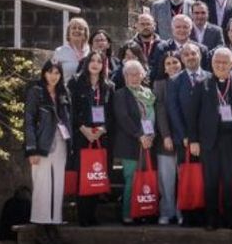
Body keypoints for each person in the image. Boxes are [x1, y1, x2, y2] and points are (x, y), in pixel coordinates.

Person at [191, 47, 232, 230]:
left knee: (231, 181)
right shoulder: (202, 84)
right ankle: (211, 219)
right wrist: (193, 140)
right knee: (211, 181)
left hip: (231, 141)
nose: (221, 66)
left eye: (225, 62)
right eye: (217, 62)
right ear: (212, 63)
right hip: (209, 141)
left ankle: (231, 219)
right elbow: (193, 115)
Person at [70, 51, 115, 227]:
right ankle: (83, 216)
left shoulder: (109, 86)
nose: (95, 64)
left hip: (101, 137)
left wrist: (102, 129)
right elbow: (71, 109)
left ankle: (93, 214)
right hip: (83, 135)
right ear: (87, 63)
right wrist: (83, 128)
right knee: (84, 175)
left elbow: (111, 113)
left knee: (97, 175)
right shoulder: (75, 82)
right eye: (93, 60)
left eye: (99, 61)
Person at [23, 59, 70, 227]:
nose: (53, 76)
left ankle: (55, 220)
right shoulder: (36, 91)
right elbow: (28, 121)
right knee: (42, 183)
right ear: (44, 73)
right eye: (50, 72)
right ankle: (41, 222)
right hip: (41, 143)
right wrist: (31, 149)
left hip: (61, 142)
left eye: (57, 73)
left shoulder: (63, 92)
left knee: (58, 183)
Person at [168, 44, 211, 226]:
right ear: (182, 58)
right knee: (186, 176)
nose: (190, 56)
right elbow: (173, 110)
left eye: (193, 53)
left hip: (207, 139)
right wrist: (185, 135)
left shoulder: (210, 77)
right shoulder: (175, 80)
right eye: (186, 54)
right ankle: (187, 214)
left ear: (200, 55)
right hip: (184, 139)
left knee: (205, 177)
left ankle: (203, 213)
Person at [112, 59, 157, 225]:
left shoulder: (149, 93)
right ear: (125, 77)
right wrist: (140, 136)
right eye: (130, 74)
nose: (134, 77)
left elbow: (154, 117)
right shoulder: (120, 95)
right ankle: (128, 214)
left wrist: (151, 136)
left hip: (149, 143)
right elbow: (123, 118)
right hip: (130, 143)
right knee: (132, 178)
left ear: (142, 75)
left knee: (145, 178)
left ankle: (144, 210)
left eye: (137, 74)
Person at [153, 52, 184, 225]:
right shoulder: (159, 84)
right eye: (168, 63)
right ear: (164, 67)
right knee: (166, 179)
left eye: (175, 62)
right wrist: (166, 135)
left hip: (184, 139)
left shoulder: (188, 81)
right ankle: (167, 211)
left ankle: (181, 211)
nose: (172, 66)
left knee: (182, 178)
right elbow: (160, 111)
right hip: (165, 139)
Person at [157, 13, 204, 81]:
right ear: (172, 29)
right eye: (178, 27)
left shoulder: (201, 49)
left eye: (185, 27)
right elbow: (158, 74)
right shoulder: (162, 48)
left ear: (190, 29)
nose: (182, 30)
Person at [124, 14, 165, 83]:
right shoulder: (128, 46)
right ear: (136, 26)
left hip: (158, 85)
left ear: (154, 26)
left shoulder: (164, 46)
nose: (145, 27)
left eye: (148, 24)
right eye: (142, 24)